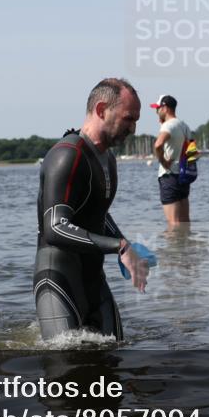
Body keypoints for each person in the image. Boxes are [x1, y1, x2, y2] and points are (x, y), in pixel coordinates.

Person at [33, 78, 149, 340]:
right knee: (66, 364)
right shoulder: (67, 155)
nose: (133, 128)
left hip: (94, 280)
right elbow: (54, 227)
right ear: (101, 110)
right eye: (128, 118)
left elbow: (97, 215)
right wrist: (118, 246)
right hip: (58, 278)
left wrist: (126, 247)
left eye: (136, 120)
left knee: (116, 356)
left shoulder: (107, 159)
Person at [151, 94, 193, 227]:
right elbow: (191, 153)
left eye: (158, 108)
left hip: (169, 177)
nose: (156, 111)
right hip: (183, 176)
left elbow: (158, 145)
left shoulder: (168, 126)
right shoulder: (185, 126)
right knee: (185, 222)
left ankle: (173, 248)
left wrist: (163, 161)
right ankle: (186, 247)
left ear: (165, 108)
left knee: (173, 224)